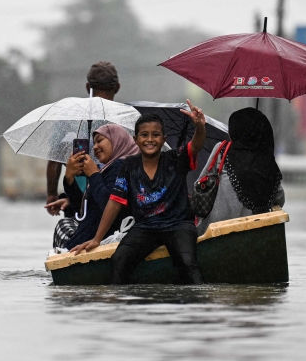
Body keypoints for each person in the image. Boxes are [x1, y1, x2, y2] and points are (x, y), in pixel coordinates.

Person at [71, 102, 207, 285]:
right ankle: (122, 308)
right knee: (120, 259)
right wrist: (97, 239)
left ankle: (196, 304)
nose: (149, 140)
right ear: (135, 140)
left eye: (155, 135)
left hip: (178, 225)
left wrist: (199, 126)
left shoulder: (175, 159)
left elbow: (196, 145)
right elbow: (114, 202)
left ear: (163, 138)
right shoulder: (129, 166)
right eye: (144, 135)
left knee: (187, 261)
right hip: (146, 228)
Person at [45, 61, 121, 217]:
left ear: (88, 87)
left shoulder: (69, 116)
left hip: (76, 197)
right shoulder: (123, 119)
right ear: (117, 88)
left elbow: (54, 158)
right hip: (112, 200)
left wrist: (52, 193)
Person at [45, 124, 137, 250]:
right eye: (94, 143)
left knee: (63, 226)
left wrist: (94, 174)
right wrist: (70, 178)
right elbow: (82, 210)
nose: (94, 147)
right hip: (93, 234)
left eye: (100, 140)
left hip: (100, 238)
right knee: (67, 223)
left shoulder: (120, 166)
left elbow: (109, 206)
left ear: (117, 140)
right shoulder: (108, 169)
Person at [195, 107, 285, 236]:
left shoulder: (222, 150)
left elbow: (200, 184)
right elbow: (279, 199)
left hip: (216, 231)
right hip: (255, 232)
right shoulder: (266, 161)